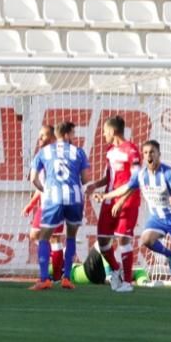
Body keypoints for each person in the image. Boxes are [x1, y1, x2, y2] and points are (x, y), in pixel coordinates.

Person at [96, 140, 171, 297]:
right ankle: (169, 253)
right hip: (157, 218)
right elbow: (125, 188)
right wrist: (105, 196)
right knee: (146, 239)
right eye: (145, 152)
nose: (149, 155)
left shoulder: (167, 173)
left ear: (159, 155)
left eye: (152, 152)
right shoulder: (141, 174)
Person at [28, 121, 90, 291]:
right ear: (67, 134)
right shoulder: (79, 152)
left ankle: (44, 279)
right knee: (70, 237)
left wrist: (44, 189)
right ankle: (67, 278)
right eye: (74, 133)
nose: (75, 137)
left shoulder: (43, 152)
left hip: (53, 199)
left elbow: (33, 178)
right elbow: (85, 179)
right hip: (74, 199)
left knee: (44, 237)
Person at [86, 115, 141, 293]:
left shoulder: (131, 150)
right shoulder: (110, 150)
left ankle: (127, 282)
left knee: (123, 239)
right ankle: (116, 269)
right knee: (103, 241)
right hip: (109, 200)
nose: (103, 135)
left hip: (127, 201)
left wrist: (122, 200)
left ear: (112, 131)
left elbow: (135, 181)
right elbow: (110, 177)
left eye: (104, 131)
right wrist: (96, 185)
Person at [22, 125, 67, 284]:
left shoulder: (57, 156)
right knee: (35, 235)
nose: (40, 139)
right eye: (39, 135)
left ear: (53, 138)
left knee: (53, 238)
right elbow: (40, 186)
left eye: (44, 135)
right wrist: (30, 204)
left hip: (56, 203)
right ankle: (58, 263)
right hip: (45, 204)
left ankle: (55, 276)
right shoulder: (42, 156)